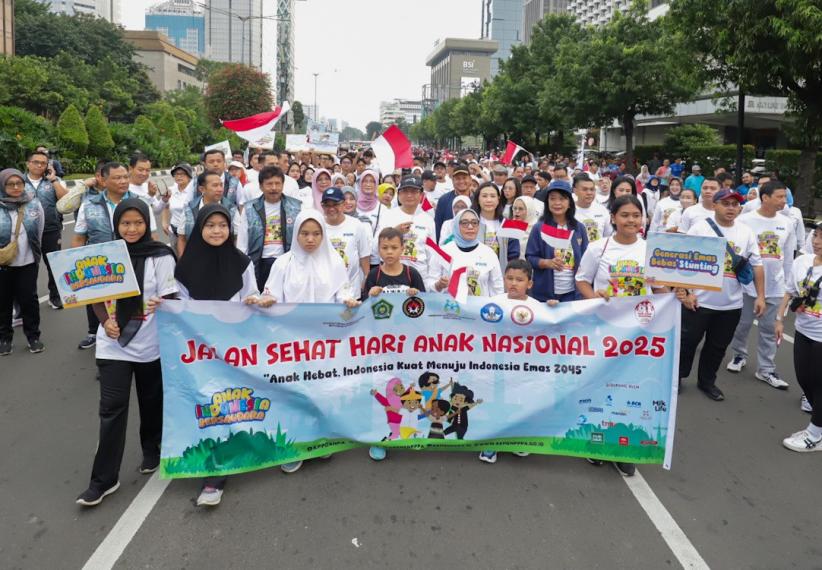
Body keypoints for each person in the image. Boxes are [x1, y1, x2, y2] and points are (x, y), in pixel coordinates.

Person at [76, 199, 177, 507]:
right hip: (113, 344)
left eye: (138, 223)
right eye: (125, 223)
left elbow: (171, 295)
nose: (132, 229)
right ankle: (103, 480)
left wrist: (165, 303)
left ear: (147, 223)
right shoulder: (105, 254)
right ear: (116, 225)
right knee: (111, 409)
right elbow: (94, 294)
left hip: (150, 343)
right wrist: (105, 321)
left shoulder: (160, 255)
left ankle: (152, 450)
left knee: (151, 402)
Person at [158, 204, 260, 507]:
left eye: (222, 225)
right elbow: (180, 308)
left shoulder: (242, 263)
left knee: (233, 403)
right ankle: (213, 473)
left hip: (235, 350)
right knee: (208, 405)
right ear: (199, 228)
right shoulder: (184, 268)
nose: (217, 231)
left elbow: (251, 298)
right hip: (200, 352)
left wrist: (257, 303)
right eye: (210, 225)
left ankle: (223, 468)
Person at [258, 211, 361, 472]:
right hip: (291, 342)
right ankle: (292, 446)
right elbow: (271, 294)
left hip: (323, 343)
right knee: (294, 393)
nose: (310, 239)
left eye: (316, 234)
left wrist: (348, 302)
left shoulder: (334, 261)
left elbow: (342, 292)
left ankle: (321, 441)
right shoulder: (283, 263)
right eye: (305, 233)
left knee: (322, 392)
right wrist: (267, 299)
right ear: (296, 234)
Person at [575, 195, 669, 477]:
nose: (631, 220)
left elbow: (661, 291)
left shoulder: (651, 250)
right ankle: (596, 441)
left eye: (636, 215)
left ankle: (625, 448)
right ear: (613, 218)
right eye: (625, 215)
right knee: (602, 385)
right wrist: (595, 299)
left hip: (640, 332)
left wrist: (675, 295)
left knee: (632, 388)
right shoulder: (598, 247)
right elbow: (582, 280)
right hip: (604, 329)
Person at [678, 189, 765, 401]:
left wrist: (761, 296)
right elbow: (682, 260)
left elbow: (757, 265)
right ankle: (677, 378)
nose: (731, 208)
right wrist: (687, 292)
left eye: (735, 204)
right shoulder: (700, 228)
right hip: (698, 302)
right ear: (715, 205)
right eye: (726, 203)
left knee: (717, 347)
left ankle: (707, 382)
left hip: (731, 305)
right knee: (687, 343)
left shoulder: (746, 232)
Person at [73, 162, 158, 351]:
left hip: (134, 263)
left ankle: (132, 341)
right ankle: (96, 335)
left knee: (130, 305)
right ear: (103, 181)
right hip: (99, 265)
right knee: (98, 302)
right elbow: (79, 238)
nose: (123, 181)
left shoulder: (141, 202)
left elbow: (152, 235)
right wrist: (76, 266)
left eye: (125, 177)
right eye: (117, 178)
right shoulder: (89, 205)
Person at [364, 227, 427, 461]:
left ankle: (412, 432)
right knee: (385, 390)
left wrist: (416, 295)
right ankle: (380, 438)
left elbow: (426, 307)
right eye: (384, 248)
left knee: (411, 390)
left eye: (393, 247)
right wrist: (369, 294)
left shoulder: (412, 274)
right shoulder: (374, 275)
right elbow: (363, 309)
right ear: (378, 250)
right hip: (381, 345)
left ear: (403, 249)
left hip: (409, 344)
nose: (389, 252)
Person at [727, 181, 795, 389]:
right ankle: (739, 354)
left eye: (785, 197)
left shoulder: (787, 223)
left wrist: (788, 286)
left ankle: (766, 369)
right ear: (765, 198)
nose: (784, 201)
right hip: (748, 284)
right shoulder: (745, 220)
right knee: (742, 324)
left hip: (775, 285)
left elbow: (788, 257)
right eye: (780, 197)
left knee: (769, 328)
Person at [478, 259, 546, 464]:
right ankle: (491, 443)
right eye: (509, 278)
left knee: (520, 402)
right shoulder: (493, 302)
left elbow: (550, 329)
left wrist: (555, 309)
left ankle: (517, 440)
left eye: (519, 279)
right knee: (496, 402)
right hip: (496, 364)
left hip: (523, 366)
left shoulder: (537, 307)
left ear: (529, 283)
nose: (514, 283)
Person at [776, 223, 822, 451]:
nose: (817, 241)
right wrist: (779, 319)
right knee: (805, 379)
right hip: (803, 329)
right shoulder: (802, 262)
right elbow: (790, 291)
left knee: (820, 383)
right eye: (816, 235)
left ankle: (815, 434)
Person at [0, 169, 45, 355]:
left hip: (27, 262)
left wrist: (34, 255)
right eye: (10, 184)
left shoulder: (34, 204)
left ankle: (33, 336)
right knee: (3, 302)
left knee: (29, 301)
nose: (16, 187)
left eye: (19, 183)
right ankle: (4, 339)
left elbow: (39, 231)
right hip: (3, 265)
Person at [235, 166, 302, 290]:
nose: (274, 188)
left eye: (277, 183)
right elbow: (242, 242)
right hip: (259, 262)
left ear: (283, 185)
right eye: (269, 184)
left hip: (286, 262)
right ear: (261, 186)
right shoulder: (250, 208)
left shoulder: (295, 207)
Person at [526, 180, 589, 303]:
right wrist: (546, 263)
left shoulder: (578, 228)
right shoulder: (539, 228)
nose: (557, 203)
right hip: (545, 295)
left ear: (570, 203)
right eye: (552, 198)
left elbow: (586, 260)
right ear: (547, 202)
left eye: (562, 199)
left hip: (572, 294)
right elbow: (530, 257)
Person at [23, 151, 67, 310]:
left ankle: (55, 297)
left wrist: (54, 180)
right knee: (26, 268)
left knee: (55, 265)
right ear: (28, 164)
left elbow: (65, 200)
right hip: (25, 232)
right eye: (36, 162)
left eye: (43, 163)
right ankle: (26, 302)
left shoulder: (53, 181)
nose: (39, 165)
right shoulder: (18, 181)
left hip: (51, 229)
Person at [376, 176, 436, 288]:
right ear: (399, 195)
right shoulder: (388, 215)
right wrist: (395, 232)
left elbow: (432, 254)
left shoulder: (428, 220)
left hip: (419, 277)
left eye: (414, 191)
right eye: (405, 191)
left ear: (421, 195)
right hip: (391, 277)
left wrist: (431, 282)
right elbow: (376, 246)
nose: (409, 195)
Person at [431, 209, 504, 298]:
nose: (470, 227)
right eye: (465, 223)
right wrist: (439, 285)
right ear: (456, 225)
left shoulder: (489, 254)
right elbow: (429, 286)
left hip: (480, 306)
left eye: (474, 223)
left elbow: (497, 290)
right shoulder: (443, 252)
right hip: (449, 306)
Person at [321, 187, 371, 297]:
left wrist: (367, 277)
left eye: (335, 204)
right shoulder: (319, 226)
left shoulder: (356, 225)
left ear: (343, 204)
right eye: (327, 205)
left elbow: (364, 255)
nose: (331, 209)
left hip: (352, 291)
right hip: (326, 291)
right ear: (322, 206)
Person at [175, 171, 235, 256]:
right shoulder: (189, 209)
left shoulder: (231, 209)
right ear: (202, 189)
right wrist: (183, 261)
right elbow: (182, 239)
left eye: (221, 185)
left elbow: (236, 237)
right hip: (196, 258)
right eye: (215, 185)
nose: (220, 189)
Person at [472, 182, 520, 270]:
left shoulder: (509, 224)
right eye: (484, 196)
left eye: (493, 196)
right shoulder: (470, 223)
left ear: (498, 199)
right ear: (478, 199)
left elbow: (514, 255)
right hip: (474, 273)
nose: (489, 200)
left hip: (500, 273)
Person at [433, 162, 472, 241]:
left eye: (464, 178)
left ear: (470, 179)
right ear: (453, 181)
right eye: (458, 179)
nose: (461, 181)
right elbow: (438, 226)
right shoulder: (444, 200)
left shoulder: (477, 198)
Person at [164, 163, 194, 253]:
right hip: (174, 230)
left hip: (190, 231)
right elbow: (165, 205)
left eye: (182, 174)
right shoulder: (171, 190)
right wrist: (164, 222)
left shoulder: (194, 191)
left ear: (189, 176)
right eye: (176, 174)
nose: (179, 176)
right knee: (177, 256)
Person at [573, 174, 612, 242]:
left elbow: (608, 236)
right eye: (584, 189)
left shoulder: (602, 210)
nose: (589, 193)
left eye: (592, 189)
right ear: (575, 191)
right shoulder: (568, 211)